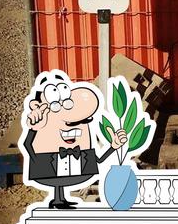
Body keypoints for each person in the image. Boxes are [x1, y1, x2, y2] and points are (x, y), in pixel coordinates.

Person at [21, 72, 126, 209]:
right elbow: (26, 143)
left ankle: (60, 199)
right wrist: (37, 160)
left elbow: (98, 160)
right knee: (57, 179)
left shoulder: (83, 148)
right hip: (49, 162)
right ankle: (58, 199)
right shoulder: (41, 124)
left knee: (62, 180)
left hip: (73, 163)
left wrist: (113, 146)